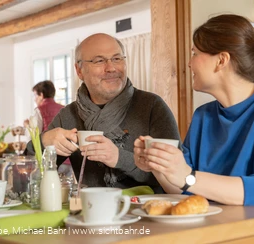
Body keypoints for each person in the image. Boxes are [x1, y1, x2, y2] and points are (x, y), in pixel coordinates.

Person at [134, 14, 254, 241]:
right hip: (210, 234)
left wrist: (188, 176)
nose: (189, 63)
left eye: (194, 54)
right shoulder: (204, 116)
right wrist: (160, 166)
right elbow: (185, 188)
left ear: (221, 60)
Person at [26, 33, 180, 192]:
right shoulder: (68, 116)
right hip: (90, 211)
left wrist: (119, 158)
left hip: (148, 211)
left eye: (117, 58)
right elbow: (26, 172)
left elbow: (177, 178)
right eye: (99, 61)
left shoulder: (152, 107)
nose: (111, 68)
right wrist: (44, 141)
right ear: (79, 70)